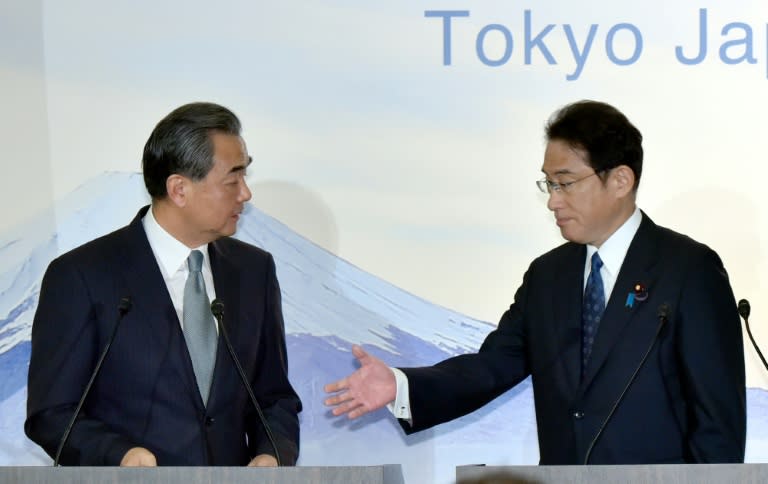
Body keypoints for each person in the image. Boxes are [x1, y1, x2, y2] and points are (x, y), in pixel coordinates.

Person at [325, 100, 746, 464]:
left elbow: (717, 420)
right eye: (549, 183)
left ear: (620, 180)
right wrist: (402, 384)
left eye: (565, 183)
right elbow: (492, 366)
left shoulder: (688, 270)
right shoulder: (548, 276)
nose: (552, 200)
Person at [26, 102, 301, 466]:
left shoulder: (254, 271)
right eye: (233, 179)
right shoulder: (82, 275)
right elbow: (53, 412)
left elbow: (274, 397)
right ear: (179, 189)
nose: (245, 194)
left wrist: (271, 453)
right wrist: (119, 454)